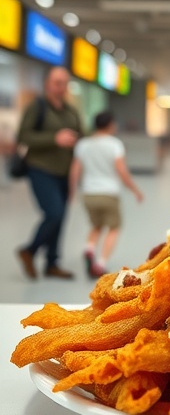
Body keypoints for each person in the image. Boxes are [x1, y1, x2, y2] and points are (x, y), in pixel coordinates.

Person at [15, 66, 83, 280]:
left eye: (64, 83)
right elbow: (23, 136)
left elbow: (82, 134)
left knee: (62, 216)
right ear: (47, 84)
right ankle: (30, 250)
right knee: (54, 213)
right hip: (41, 168)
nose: (61, 87)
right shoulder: (37, 107)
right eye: (57, 82)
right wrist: (55, 138)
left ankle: (52, 262)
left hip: (65, 171)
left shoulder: (70, 111)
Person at [69, 110, 144, 277]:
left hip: (88, 193)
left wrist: (72, 192)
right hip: (108, 193)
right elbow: (121, 170)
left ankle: (89, 249)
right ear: (110, 125)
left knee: (96, 225)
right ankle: (100, 263)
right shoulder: (114, 144)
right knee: (114, 227)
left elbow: (75, 170)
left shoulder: (83, 144)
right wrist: (135, 190)